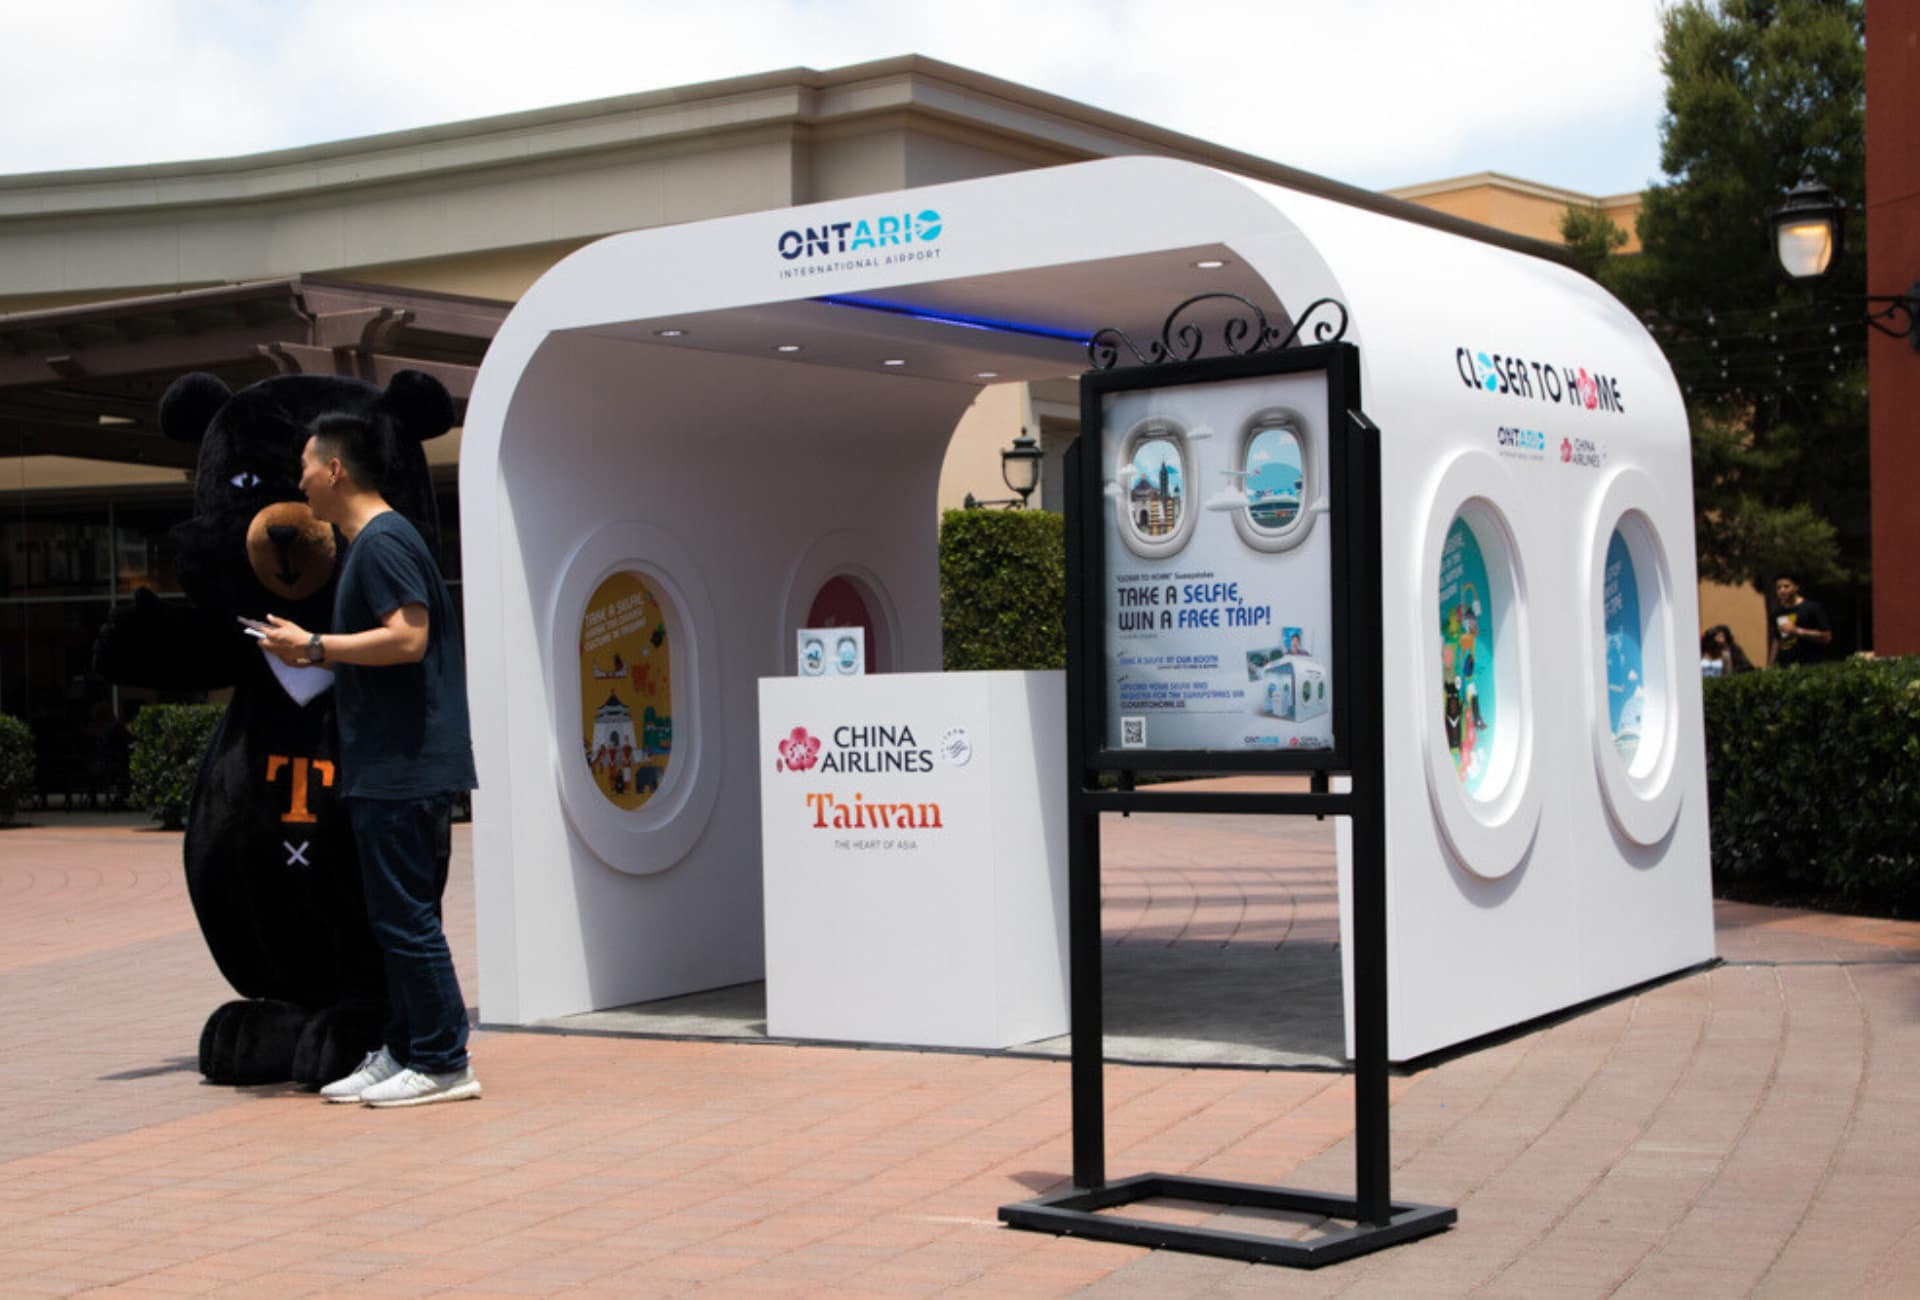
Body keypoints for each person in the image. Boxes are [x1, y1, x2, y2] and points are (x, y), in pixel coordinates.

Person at [260, 412, 480, 1108]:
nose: (298, 482)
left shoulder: (382, 542)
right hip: (389, 766)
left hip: (403, 768)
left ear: (335, 469)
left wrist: (316, 647)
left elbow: (408, 638)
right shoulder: (375, 543)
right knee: (394, 920)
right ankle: (407, 1049)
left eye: (305, 466)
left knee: (407, 920)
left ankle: (443, 1060)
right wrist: (315, 652)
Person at [1767, 574, 1834, 667]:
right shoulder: (1777, 613)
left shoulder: (1811, 608)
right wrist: (1770, 665)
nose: (1782, 590)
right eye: (1778, 588)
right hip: (1786, 667)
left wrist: (1797, 631)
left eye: (1786, 586)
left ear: (1796, 587)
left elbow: (1827, 637)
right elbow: (1777, 640)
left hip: (1810, 665)